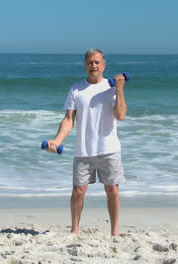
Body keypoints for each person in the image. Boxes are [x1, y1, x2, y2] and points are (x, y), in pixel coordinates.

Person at [46, 48, 127, 236]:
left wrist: (120, 89)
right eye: (90, 62)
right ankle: (74, 230)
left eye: (97, 62)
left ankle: (114, 232)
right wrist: (57, 140)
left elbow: (120, 115)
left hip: (109, 148)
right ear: (85, 65)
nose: (94, 66)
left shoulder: (111, 86)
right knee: (78, 191)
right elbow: (68, 120)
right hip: (83, 149)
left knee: (112, 190)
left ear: (104, 65)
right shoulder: (76, 89)